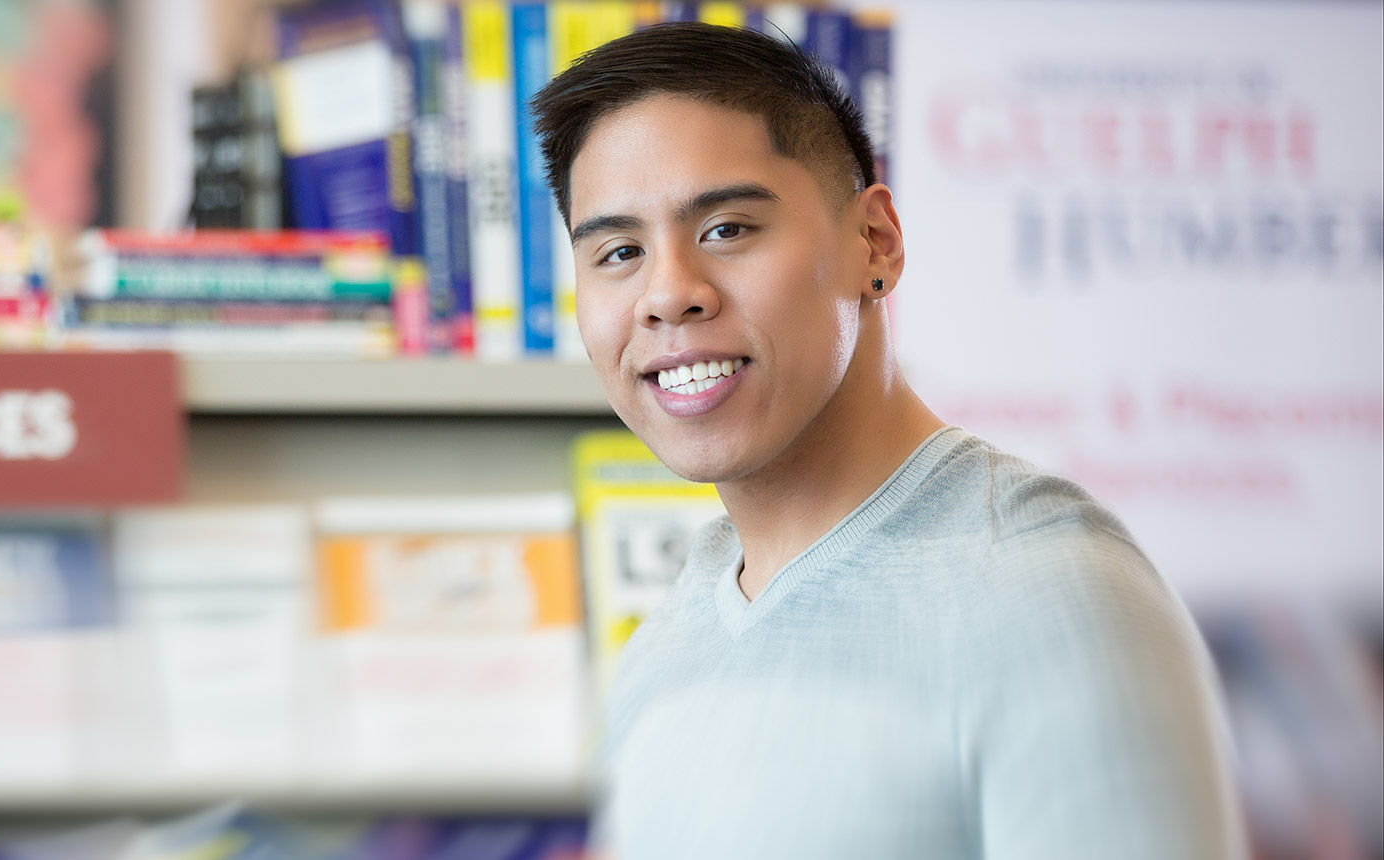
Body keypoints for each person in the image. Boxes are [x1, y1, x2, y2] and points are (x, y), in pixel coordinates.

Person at [528, 22, 1242, 859]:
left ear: (875, 242)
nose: (667, 295)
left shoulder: (1046, 594)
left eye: (726, 229)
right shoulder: (669, 639)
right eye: (618, 251)